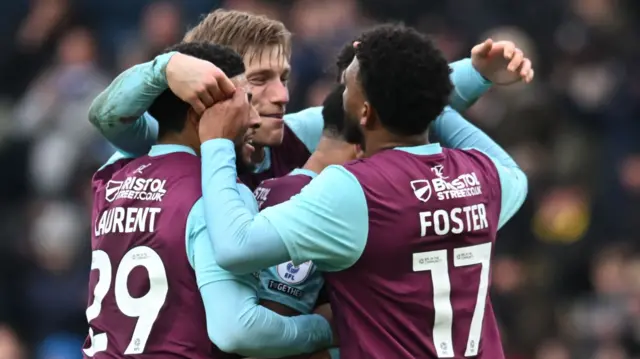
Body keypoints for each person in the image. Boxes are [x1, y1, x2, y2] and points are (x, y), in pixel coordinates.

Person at [198, 24, 530, 359]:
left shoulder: (354, 190)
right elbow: (516, 175)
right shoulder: (484, 176)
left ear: (366, 112)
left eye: (346, 89)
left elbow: (236, 247)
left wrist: (216, 142)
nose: (338, 96)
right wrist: (435, 97)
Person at [87, 9, 531, 190]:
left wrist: (477, 74)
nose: (281, 96)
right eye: (260, 79)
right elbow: (108, 118)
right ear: (206, 82)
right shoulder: (165, 146)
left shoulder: (297, 135)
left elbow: (385, 100)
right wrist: (164, 69)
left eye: (284, 77)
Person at [84, 42, 334, 359]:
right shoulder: (217, 195)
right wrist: (325, 329)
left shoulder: (111, 177)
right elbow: (237, 331)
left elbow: (106, 115)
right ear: (200, 114)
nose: (255, 120)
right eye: (243, 104)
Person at [256, 85, 357, 358]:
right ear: (362, 146)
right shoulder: (310, 205)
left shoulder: (276, 186)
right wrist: (347, 322)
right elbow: (271, 331)